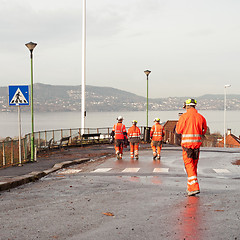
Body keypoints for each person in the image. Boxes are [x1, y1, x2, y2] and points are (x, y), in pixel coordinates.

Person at [176, 98, 207, 196]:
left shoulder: (184, 117)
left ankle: (194, 187)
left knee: (189, 165)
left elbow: (178, 130)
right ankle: (190, 187)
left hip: (187, 145)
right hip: (197, 145)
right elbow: (204, 130)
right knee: (193, 166)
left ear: (187, 106)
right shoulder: (200, 117)